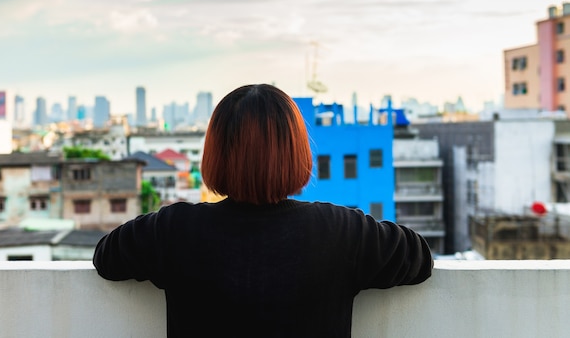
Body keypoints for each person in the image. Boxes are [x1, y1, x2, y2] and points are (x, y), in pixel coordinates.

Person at [93, 84, 433, 338]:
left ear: (216, 154)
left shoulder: (175, 229)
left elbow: (107, 258)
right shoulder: (341, 230)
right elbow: (419, 258)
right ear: (296, 152)